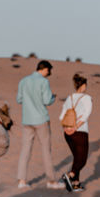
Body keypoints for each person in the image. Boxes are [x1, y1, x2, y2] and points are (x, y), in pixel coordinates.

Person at [15, 59, 63, 189]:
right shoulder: (44, 82)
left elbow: (19, 99)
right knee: (46, 150)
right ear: (44, 69)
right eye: (49, 71)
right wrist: (53, 97)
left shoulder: (23, 81)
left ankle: (22, 181)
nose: (49, 73)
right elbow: (47, 100)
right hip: (41, 119)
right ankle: (51, 181)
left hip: (27, 119)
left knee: (25, 150)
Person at [59, 73, 93, 192]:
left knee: (76, 158)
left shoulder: (69, 98)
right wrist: (75, 127)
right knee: (82, 160)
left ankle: (76, 183)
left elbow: (61, 116)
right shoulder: (86, 98)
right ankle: (69, 176)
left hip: (67, 133)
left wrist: (66, 128)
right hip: (80, 132)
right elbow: (86, 115)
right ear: (83, 85)